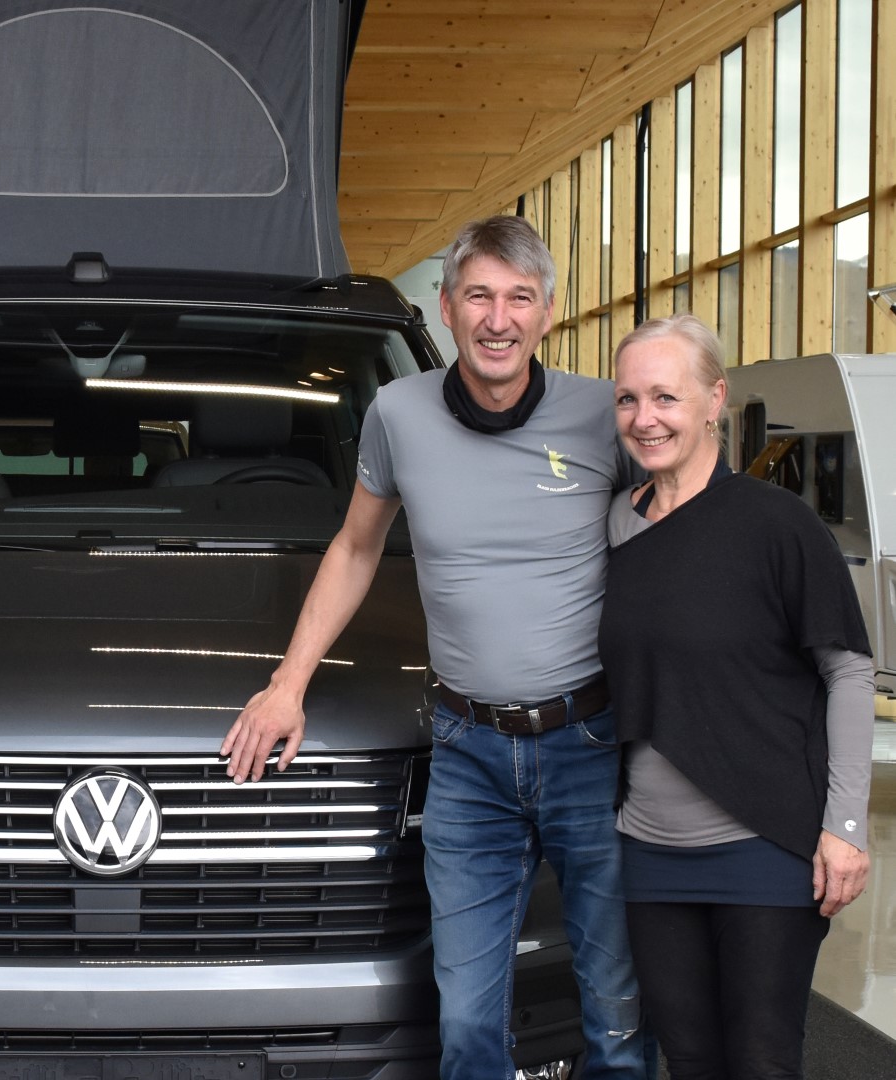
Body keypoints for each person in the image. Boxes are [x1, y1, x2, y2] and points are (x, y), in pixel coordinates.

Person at [221, 215, 650, 1078]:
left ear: (548, 313)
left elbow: (673, 534)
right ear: (446, 307)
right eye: (478, 296)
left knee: (613, 1015)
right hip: (467, 756)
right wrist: (287, 684)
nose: (498, 319)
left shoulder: (601, 415)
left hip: (586, 745)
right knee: (465, 1024)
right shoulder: (397, 412)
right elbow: (355, 547)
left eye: (519, 298)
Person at [598, 314, 873, 1080]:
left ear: (713, 400)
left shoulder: (777, 524)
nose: (644, 418)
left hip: (765, 845)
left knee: (760, 1060)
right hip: (648, 851)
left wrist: (845, 825)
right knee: (689, 1059)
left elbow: (847, 670)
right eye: (627, 399)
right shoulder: (615, 525)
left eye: (665, 397)